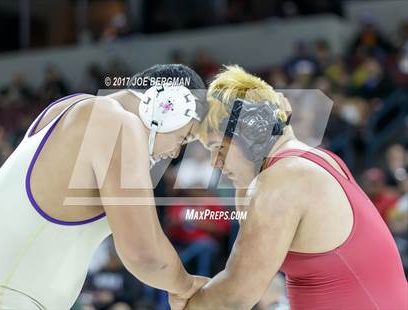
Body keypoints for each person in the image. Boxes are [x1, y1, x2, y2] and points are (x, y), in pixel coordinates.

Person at [170, 65, 407, 309]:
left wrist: (189, 303)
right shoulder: (310, 160)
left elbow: (237, 295)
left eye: (218, 148)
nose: (215, 163)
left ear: (252, 133)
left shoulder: (284, 179)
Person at [0, 64, 209, 309]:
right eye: (184, 137)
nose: (176, 151)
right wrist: (187, 287)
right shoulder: (115, 122)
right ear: (170, 107)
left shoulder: (74, 109)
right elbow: (145, 254)